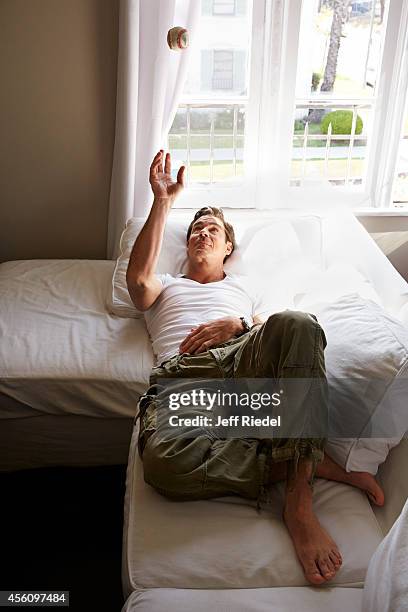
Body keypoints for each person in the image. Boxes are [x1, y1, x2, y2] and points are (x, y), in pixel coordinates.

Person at [126, 149, 384, 586]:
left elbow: (282, 328)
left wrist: (239, 323)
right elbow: (137, 284)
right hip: (188, 377)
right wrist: (162, 201)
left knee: (300, 324)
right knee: (165, 464)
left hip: (244, 357)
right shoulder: (166, 285)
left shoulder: (246, 288)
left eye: (213, 230)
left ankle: (298, 502)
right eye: (195, 230)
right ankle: (310, 463)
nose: (202, 234)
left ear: (229, 248)